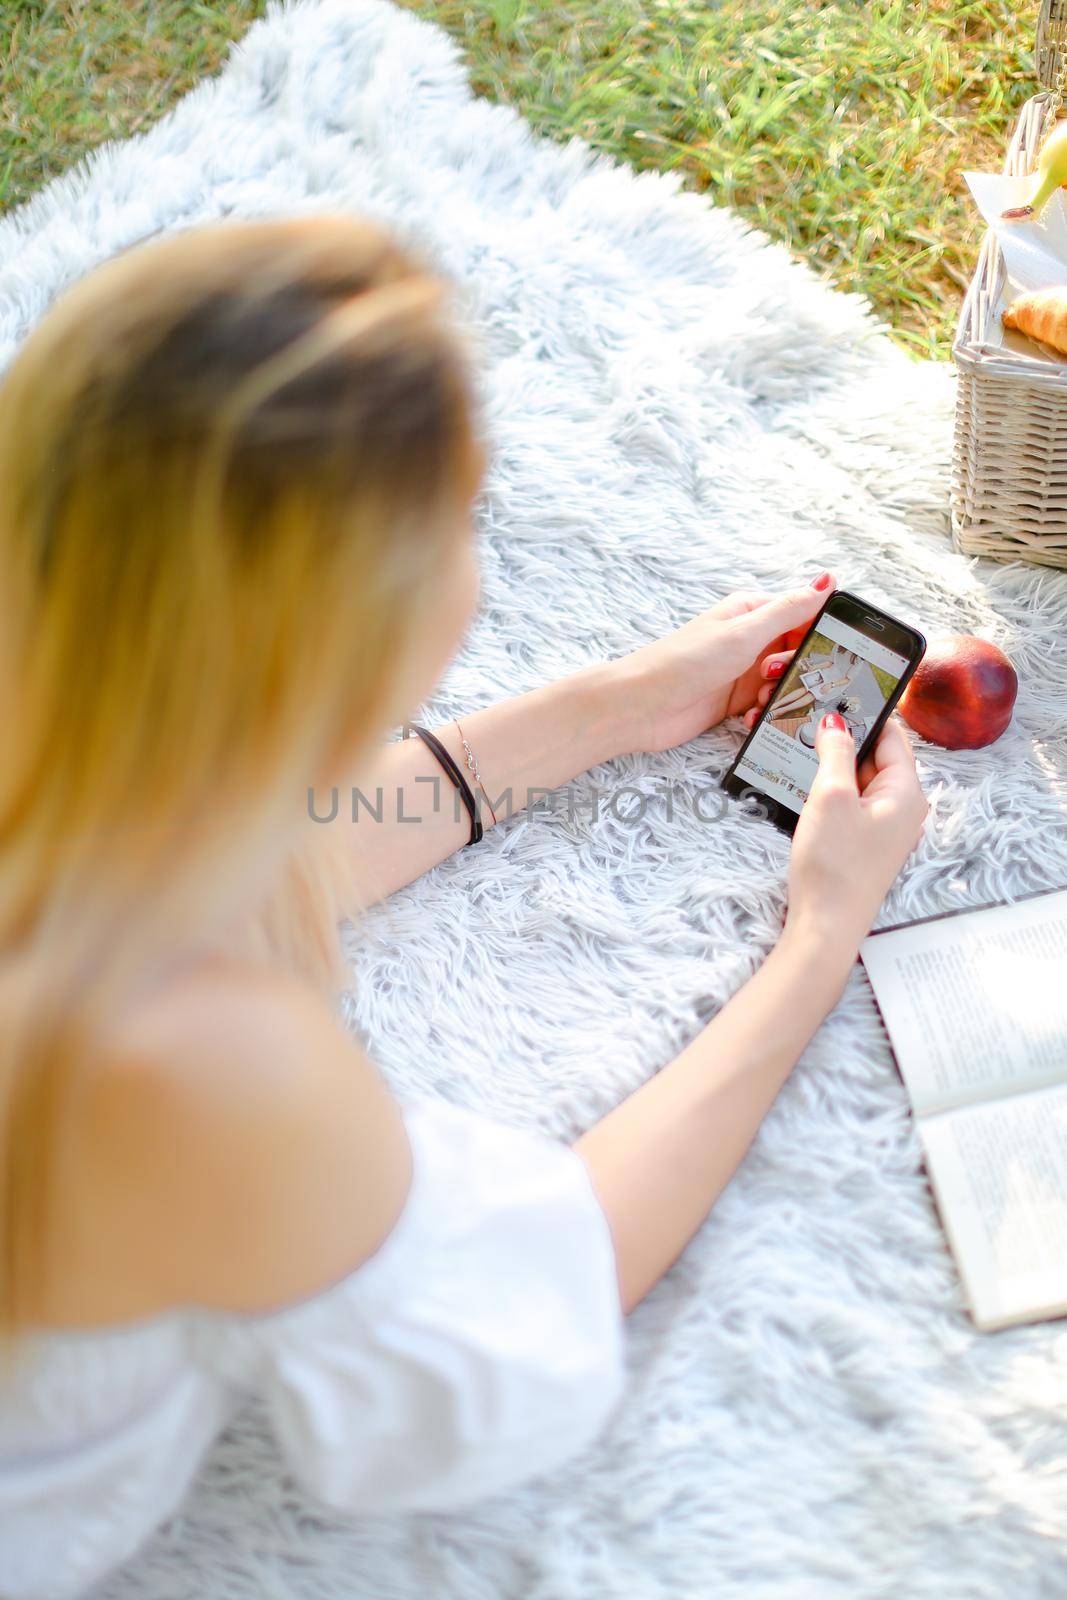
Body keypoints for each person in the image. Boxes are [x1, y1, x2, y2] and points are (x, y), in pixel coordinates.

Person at [0, 216, 928, 1600]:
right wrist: (820, 937)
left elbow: (215, 845)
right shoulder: (195, 1067)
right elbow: (531, 1310)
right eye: (467, 516)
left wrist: (604, 711)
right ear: (349, 637)